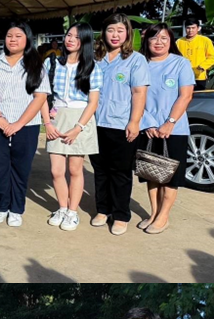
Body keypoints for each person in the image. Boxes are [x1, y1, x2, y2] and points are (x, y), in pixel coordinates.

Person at [0, 22, 50, 227]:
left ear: (27, 40)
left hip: (26, 125)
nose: (12, 40)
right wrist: (0, 119)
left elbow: (40, 97)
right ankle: (2, 205)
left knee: (21, 167)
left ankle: (16, 208)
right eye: (9, 36)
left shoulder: (36, 64)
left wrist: (19, 123)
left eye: (18, 36)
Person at [91, 12, 149, 235]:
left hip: (122, 124)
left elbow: (139, 93)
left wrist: (134, 122)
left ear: (128, 34)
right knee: (100, 169)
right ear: (103, 33)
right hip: (96, 123)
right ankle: (103, 210)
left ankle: (121, 214)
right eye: (110, 30)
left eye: (120, 30)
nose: (115, 35)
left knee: (121, 171)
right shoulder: (97, 58)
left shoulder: (135, 60)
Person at [40, 23, 102, 232]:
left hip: (80, 118)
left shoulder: (92, 67)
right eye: (68, 35)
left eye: (76, 37)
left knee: (75, 169)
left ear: (84, 41)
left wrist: (78, 128)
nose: (70, 39)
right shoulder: (53, 64)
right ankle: (62, 207)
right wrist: (47, 123)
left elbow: (93, 102)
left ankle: (72, 212)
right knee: (56, 171)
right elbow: (42, 96)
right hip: (57, 116)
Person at [137, 23, 195, 234]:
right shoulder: (140, 63)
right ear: (147, 40)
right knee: (152, 172)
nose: (159, 42)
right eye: (154, 38)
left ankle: (164, 216)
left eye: (164, 38)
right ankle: (153, 212)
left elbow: (186, 95)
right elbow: (135, 96)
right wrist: (148, 123)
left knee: (170, 176)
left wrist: (169, 122)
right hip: (148, 128)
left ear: (171, 41)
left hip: (175, 129)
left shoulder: (180, 63)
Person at [176, 19, 214, 90]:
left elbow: (212, 57)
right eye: (188, 28)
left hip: (199, 76)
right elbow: (174, 57)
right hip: (183, 76)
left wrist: (202, 66)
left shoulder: (205, 40)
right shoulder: (179, 42)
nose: (190, 30)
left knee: (198, 98)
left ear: (198, 28)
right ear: (185, 28)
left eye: (193, 28)